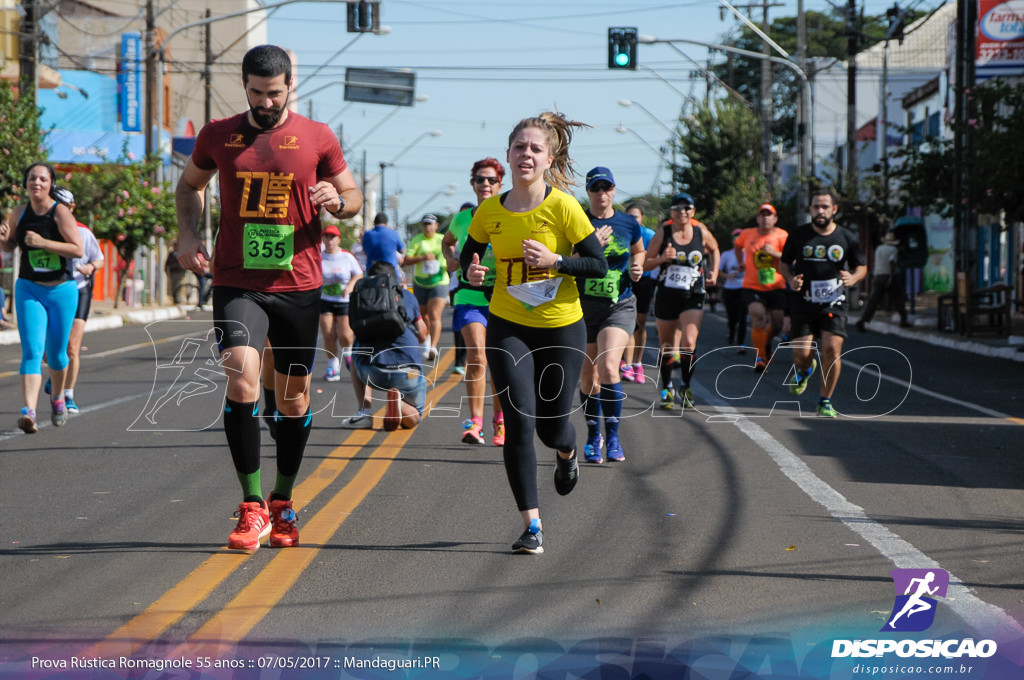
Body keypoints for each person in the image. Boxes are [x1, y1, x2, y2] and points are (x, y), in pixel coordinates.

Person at [174, 44, 363, 551]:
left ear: (289, 88)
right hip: (237, 280)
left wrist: (338, 202)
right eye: (256, 93)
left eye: (274, 94)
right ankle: (252, 505)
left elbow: (353, 197)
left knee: (293, 398)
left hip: (299, 285)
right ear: (246, 87)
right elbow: (189, 186)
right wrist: (187, 235)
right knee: (241, 374)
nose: (265, 102)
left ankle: (283, 502)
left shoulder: (318, 138)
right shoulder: (219, 135)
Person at [461, 111, 606, 555]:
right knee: (520, 421)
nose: (526, 154)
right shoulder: (489, 210)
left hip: (561, 326)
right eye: (519, 147)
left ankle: (568, 452)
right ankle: (532, 525)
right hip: (508, 325)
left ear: (549, 159)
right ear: (509, 154)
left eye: (535, 149)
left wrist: (557, 262)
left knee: (551, 428)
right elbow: (467, 260)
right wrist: (471, 270)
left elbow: (597, 265)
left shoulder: (563, 206)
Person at [0, 164, 84, 432]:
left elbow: (77, 249)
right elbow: (11, 245)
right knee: (33, 352)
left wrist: (44, 243)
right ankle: (30, 412)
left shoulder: (59, 212)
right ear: (26, 183)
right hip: (29, 289)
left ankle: (58, 397)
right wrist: (3, 239)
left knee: (58, 356)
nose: (36, 182)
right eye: (32, 178)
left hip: (61, 291)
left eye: (42, 178)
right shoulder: (18, 213)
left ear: (50, 184)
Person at [778, 189, 867, 418]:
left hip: (834, 302)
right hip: (804, 302)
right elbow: (784, 263)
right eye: (816, 206)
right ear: (810, 209)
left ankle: (824, 400)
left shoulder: (846, 237)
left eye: (825, 207)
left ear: (834, 210)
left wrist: (853, 278)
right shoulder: (799, 235)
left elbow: (861, 266)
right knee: (801, 355)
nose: (820, 211)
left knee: (831, 349)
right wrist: (790, 279)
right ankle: (806, 369)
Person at [577, 167, 644, 463]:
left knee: (608, 367)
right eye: (595, 188)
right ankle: (594, 435)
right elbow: (566, 262)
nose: (601, 194)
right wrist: (593, 247)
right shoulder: (578, 221)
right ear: (588, 192)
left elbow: (638, 250)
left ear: (614, 191)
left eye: (607, 188)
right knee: (588, 377)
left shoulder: (628, 223)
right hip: (581, 307)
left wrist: (638, 266)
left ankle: (614, 436)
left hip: (620, 305)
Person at [441, 159, 506, 446]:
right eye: (481, 180)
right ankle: (475, 422)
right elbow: (447, 241)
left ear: (500, 184)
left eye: (491, 180)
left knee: (500, 363)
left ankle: (500, 419)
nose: (486, 185)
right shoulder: (462, 218)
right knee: (478, 356)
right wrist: (451, 260)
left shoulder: (510, 214)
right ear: (473, 184)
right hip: (469, 295)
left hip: (503, 297)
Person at [644, 191, 719, 409]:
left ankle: (686, 385)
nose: (682, 212)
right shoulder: (663, 233)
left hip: (693, 294)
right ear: (671, 212)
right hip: (667, 294)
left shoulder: (700, 231)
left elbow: (714, 249)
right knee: (667, 346)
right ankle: (667, 387)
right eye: (677, 208)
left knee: (689, 343)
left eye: (686, 208)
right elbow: (647, 263)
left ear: (693, 211)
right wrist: (662, 259)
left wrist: (714, 271)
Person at [339, 261, 429, 430]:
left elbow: (351, 330)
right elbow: (422, 333)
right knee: (415, 417)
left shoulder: (360, 296)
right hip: (407, 372)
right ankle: (401, 407)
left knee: (356, 352)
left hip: (371, 372)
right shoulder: (406, 295)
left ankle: (364, 412)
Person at [45, 189, 104, 414]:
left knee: (72, 347)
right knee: (46, 346)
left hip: (79, 289)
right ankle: (56, 373)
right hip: (52, 291)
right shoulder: (45, 230)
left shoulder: (83, 232)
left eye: (66, 206)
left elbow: (99, 259)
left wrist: (90, 267)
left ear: (72, 207)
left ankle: (68, 394)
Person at [734, 203, 789, 373]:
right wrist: (740, 263)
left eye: (769, 215)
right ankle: (760, 357)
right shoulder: (747, 234)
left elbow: (789, 257)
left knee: (778, 323)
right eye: (762, 215)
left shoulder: (782, 235)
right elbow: (738, 245)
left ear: (775, 219)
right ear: (758, 218)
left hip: (776, 285)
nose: (765, 218)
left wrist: (775, 254)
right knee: (757, 316)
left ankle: (766, 342)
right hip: (752, 286)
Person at [319, 223, 363, 381]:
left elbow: (359, 274)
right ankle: (332, 366)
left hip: (343, 300)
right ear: (323, 239)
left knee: (345, 335)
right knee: (328, 334)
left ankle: (348, 354)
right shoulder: (319, 256)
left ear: (338, 239)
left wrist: (350, 285)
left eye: (333, 237)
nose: (329, 240)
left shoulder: (347, 257)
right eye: (326, 236)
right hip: (324, 300)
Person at [404, 213, 449, 362]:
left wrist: (443, 262)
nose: (428, 227)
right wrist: (422, 258)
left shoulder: (442, 239)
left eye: (430, 224)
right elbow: (406, 260)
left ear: (436, 225)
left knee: (434, 314)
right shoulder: (417, 240)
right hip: (420, 282)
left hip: (439, 281)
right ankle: (426, 341)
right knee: (423, 316)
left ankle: (433, 347)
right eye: (425, 224)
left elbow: (450, 256)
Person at [621, 202, 656, 384]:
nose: (632, 220)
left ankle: (638, 363)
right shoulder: (621, 230)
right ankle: (626, 363)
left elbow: (653, 258)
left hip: (644, 281)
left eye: (636, 216)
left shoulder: (649, 235)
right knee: (628, 324)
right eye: (629, 216)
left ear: (642, 218)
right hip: (624, 279)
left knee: (640, 324)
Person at [856, 229, 907, 331]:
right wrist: (891, 277)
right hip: (888, 276)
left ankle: (863, 320)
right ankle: (903, 320)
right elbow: (891, 263)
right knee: (898, 298)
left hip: (878, 276)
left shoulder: (879, 249)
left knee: (874, 301)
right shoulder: (893, 250)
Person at [719, 227, 748, 353]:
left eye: (740, 238)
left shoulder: (749, 254)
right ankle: (731, 333)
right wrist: (728, 276)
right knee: (732, 317)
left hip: (744, 288)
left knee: (742, 317)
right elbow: (719, 271)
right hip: (730, 288)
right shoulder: (727, 254)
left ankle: (740, 344)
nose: (738, 240)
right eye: (736, 237)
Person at [362, 211, 404, 279]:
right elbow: (402, 250)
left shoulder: (367, 234)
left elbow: (364, 251)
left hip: (372, 271)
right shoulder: (393, 233)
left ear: (374, 223)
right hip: (390, 271)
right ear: (386, 223)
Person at [165, 239, 188, 304]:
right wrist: (166, 271)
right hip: (173, 272)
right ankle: (174, 298)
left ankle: (178, 298)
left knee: (179, 285)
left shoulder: (182, 253)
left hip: (180, 272)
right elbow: (167, 263)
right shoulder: (171, 254)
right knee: (173, 286)